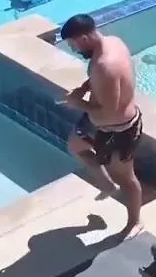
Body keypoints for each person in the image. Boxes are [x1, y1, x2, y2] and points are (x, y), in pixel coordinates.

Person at [59, 13, 144, 234]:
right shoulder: (113, 42)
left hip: (120, 128)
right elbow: (101, 81)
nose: (74, 50)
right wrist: (83, 89)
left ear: (84, 38)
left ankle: (135, 222)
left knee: (126, 178)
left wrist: (77, 103)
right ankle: (107, 185)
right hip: (98, 122)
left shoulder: (105, 65)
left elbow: (109, 112)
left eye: (73, 45)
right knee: (76, 146)